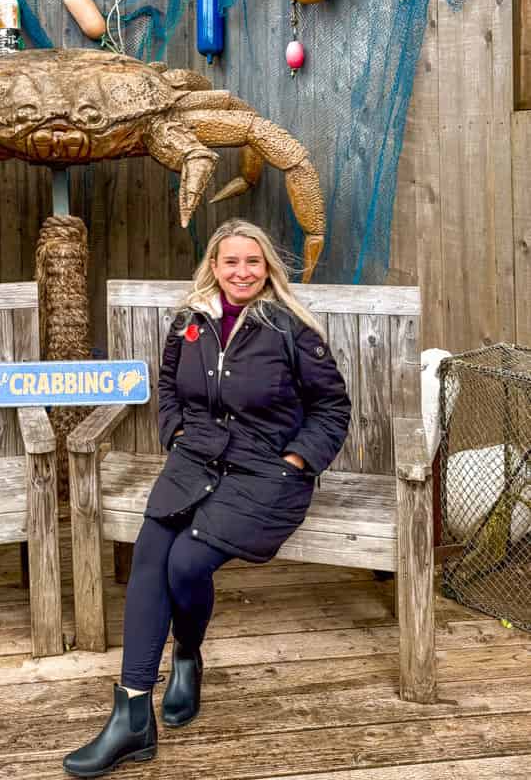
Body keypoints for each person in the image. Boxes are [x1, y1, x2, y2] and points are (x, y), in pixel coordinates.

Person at [63, 219, 351, 778]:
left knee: (187, 563)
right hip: (194, 462)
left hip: (263, 473)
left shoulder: (290, 329)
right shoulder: (189, 322)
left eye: (253, 262)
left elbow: (332, 408)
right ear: (213, 267)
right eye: (230, 262)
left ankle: (188, 655)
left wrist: (297, 461)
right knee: (151, 556)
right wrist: (175, 434)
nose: (242, 272)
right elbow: (168, 387)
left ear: (267, 268)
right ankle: (132, 716)